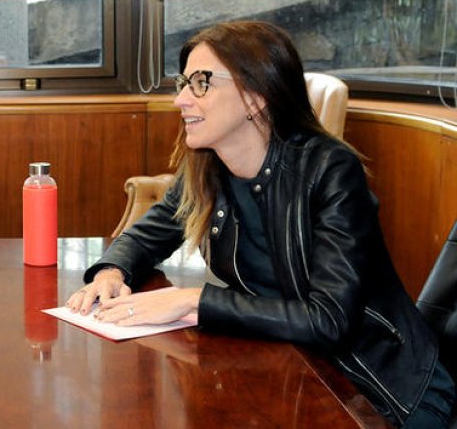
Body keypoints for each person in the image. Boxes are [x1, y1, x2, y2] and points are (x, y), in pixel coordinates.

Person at [66, 21, 453, 428]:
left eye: (201, 84)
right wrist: (111, 271)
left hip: (380, 391)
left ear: (256, 96)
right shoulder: (206, 166)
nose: (180, 99)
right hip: (292, 371)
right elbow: (149, 233)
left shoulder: (329, 170)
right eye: (183, 83)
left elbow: (328, 321)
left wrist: (193, 302)